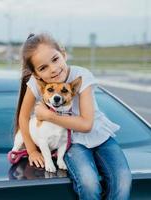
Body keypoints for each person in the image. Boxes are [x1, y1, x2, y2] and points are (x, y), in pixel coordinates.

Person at [14, 33, 132, 200]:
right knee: (89, 184)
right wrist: (32, 150)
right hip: (71, 141)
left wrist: (48, 115)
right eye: (43, 67)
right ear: (36, 74)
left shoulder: (81, 75)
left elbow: (86, 125)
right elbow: (23, 117)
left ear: (63, 54)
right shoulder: (36, 83)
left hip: (100, 136)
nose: (53, 69)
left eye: (55, 59)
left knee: (123, 180)